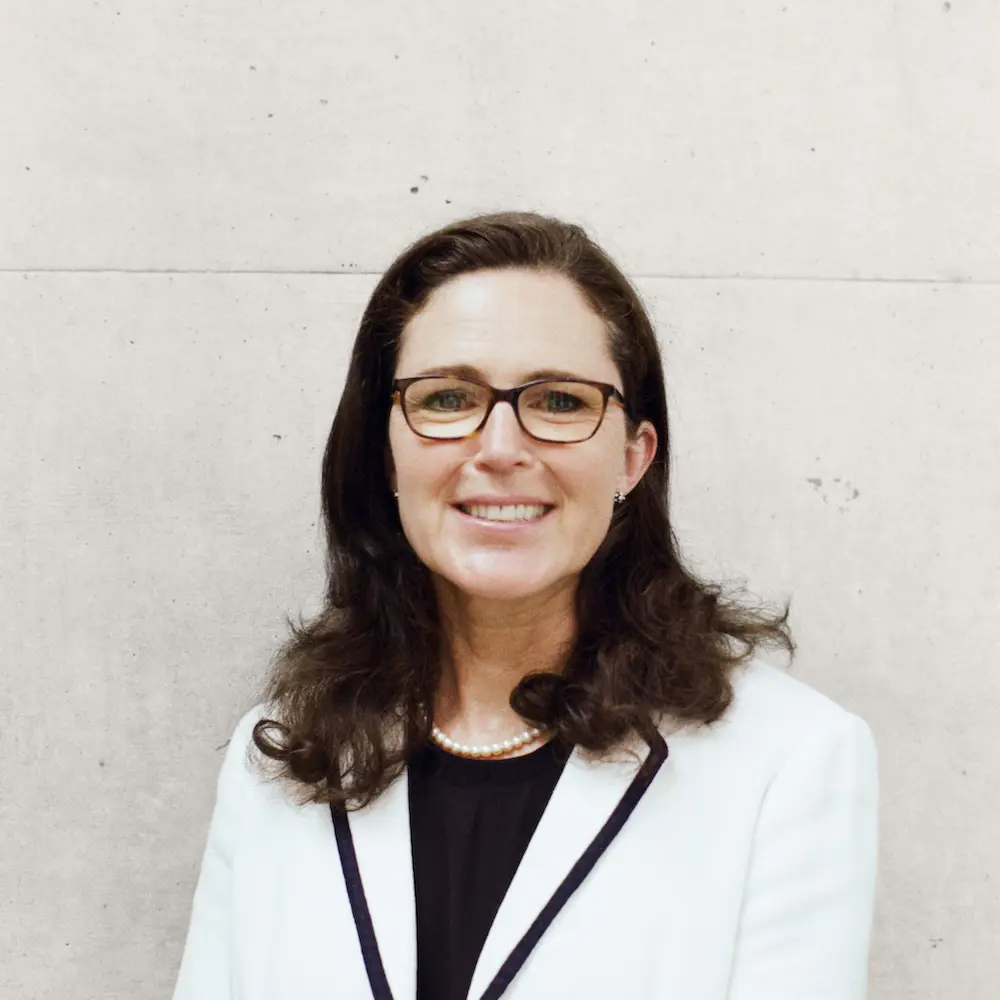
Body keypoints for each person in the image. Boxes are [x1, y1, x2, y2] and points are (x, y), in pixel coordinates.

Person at [172, 212, 878, 1000]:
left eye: (561, 402)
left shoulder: (790, 761)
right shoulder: (279, 754)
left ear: (634, 456)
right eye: (446, 397)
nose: (501, 448)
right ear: (385, 450)